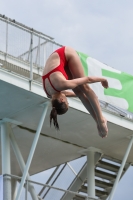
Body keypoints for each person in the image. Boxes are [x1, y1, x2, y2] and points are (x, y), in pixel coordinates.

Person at [42, 46, 109, 138]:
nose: (67, 100)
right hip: (57, 64)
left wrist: (103, 79)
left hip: (65, 53)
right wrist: (86, 97)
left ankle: (100, 120)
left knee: (85, 88)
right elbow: (67, 94)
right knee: (79, 93)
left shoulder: (62, 84)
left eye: (67, 102)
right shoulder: (49, 93)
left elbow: (88, 79)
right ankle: (97, 121)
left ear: (62, 100)